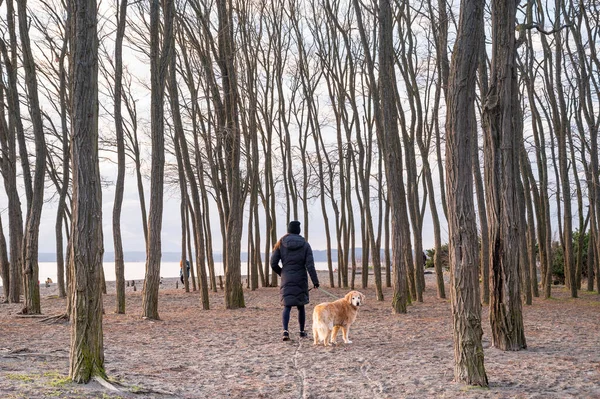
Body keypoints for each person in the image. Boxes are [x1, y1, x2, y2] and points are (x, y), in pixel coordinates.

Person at [270, 220, 320, 341]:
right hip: (300, 278)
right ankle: (302, 331)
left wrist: (282, 273)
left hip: (286, 277)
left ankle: (285, 331)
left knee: (287, 306)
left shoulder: (281, 243)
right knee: (300, 306)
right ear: (299, 231)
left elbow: (273, 263)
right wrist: (315, 281)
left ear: (288, 230)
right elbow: (310, 265)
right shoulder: (305, 244)